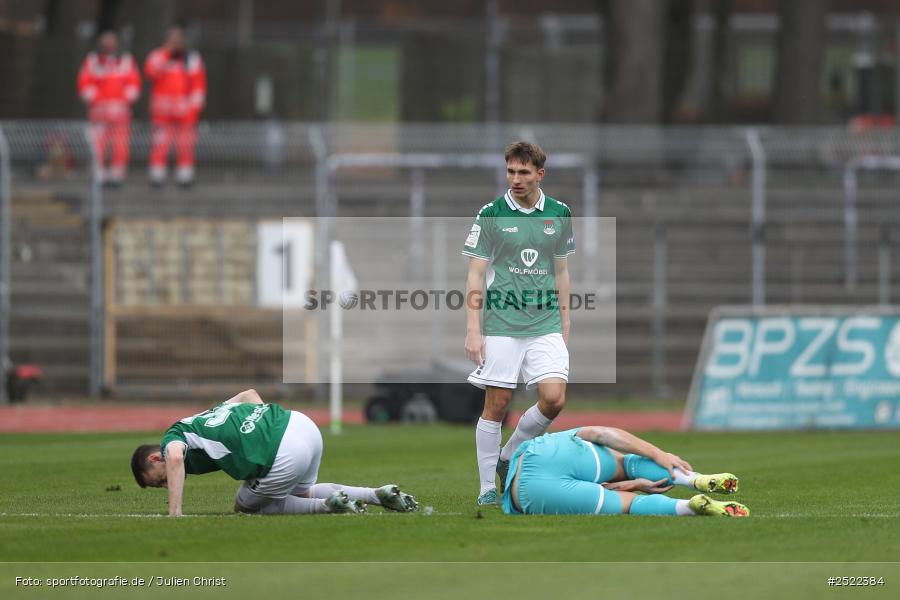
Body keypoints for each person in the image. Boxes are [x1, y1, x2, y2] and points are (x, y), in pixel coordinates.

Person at [462, 141, 575, 505]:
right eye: (510, 171)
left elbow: (562, 271)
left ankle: (508, 455)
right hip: (502, 324)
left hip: (545, 323)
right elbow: (475, 275)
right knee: (497, 405)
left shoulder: (559, 213)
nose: (515, 179)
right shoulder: (491, 213)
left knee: (554, 399)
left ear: (540, 174)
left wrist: (565, 321)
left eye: (523, 172)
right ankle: (486, 489)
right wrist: (473, 329)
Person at [131, 389, 419, 516]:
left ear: (156, 458)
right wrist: (260, 427)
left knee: (245, 506)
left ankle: (328, 506)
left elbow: (175, 458)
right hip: (301, 424)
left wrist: (175, 512)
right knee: (301, 493)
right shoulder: (203, 418)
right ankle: (376, 494)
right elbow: (248, 394)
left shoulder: (173, 438)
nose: (167, 483)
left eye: (160, 480)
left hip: (285, 449)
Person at [501, 425, 749, 517]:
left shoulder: (515, 490)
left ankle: (690, 506)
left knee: (630, 504)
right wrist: (657, 453)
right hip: (546, 452)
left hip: (531, 494)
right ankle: (696, 479)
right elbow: (602, 434)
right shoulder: (541, 444)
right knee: (627, 464)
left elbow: (602, 490)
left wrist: (635, 487)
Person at [143, 24, 207, 187]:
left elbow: (198, 85)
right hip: (162, 112)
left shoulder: (192, 59)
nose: (176, 42)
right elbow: (151, 73)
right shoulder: (157, 56)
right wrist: (167, 54)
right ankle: (157, 176)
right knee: (159, 144)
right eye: (173, 39)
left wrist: (194, 108)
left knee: (185, 145)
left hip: (185, 111)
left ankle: (184, 176)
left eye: (179, 39)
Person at [76, 30, 140, 187]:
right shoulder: (92, 60)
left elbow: (133, 83)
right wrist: (97, 101)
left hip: (120, 110)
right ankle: (98, 172)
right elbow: (85, 83)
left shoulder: (126, 61)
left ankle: (117, 174)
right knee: (97, 142)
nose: (108, 46)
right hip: (99, 110)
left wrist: (123, 101)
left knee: (120, 143)